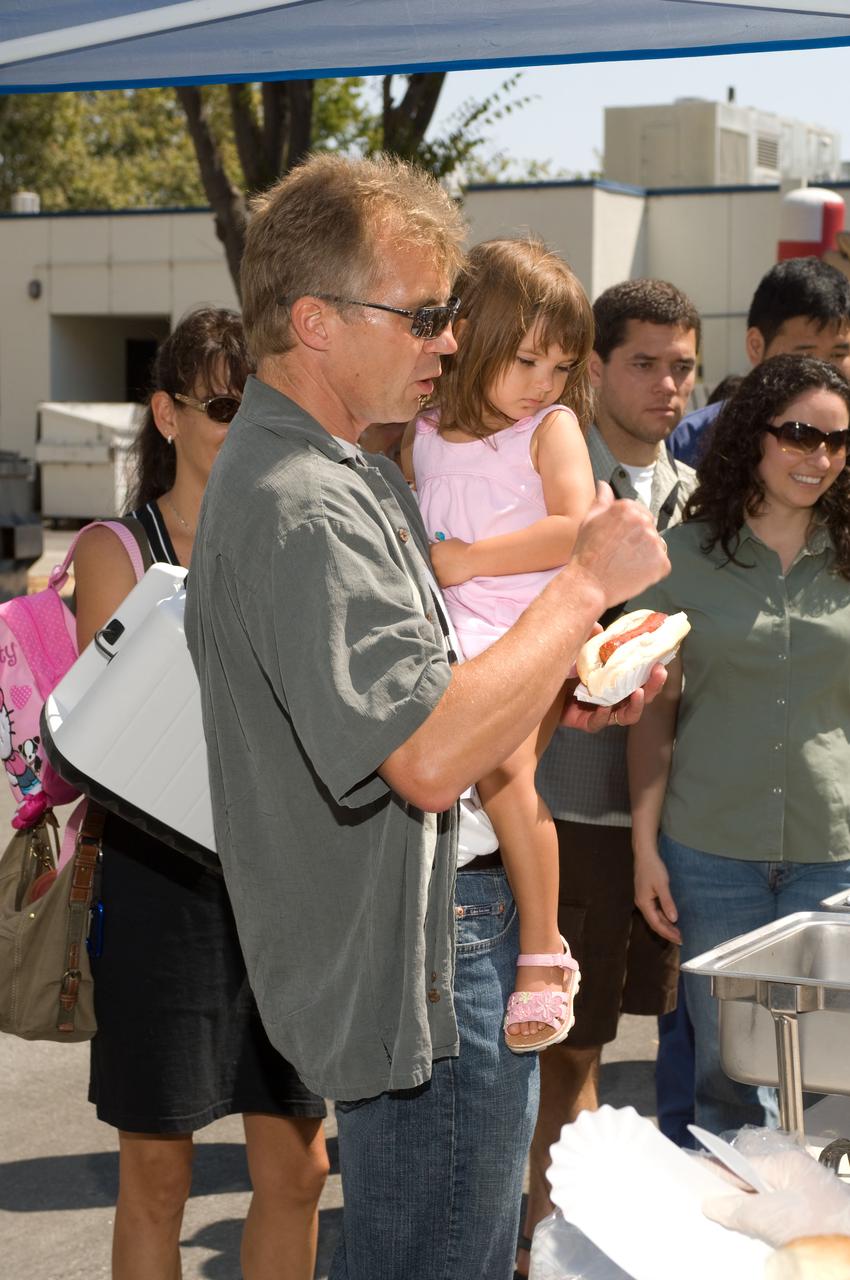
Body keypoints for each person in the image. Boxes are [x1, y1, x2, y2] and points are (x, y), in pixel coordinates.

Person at [184, 152, 671, 1280]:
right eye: (422, 316)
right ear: (315, 321)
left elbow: (428, 696)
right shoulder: (310, 502)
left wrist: (559, 687)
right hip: (433, 937)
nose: (449, 343)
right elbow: (426, 754)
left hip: (431, 925)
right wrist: (583, 585)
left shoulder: (338, 470)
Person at [73, 308, 329, 1280]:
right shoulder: (117, 551)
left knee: (299, 1169)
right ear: (167, 414)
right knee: (157, 1176)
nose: (249, 427)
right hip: (160, 887)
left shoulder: (301, 538)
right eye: (226, 406)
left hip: (285, 888)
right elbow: (126, 737)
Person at [517, 276, 699, 1270]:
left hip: (661, 820)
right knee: (561, 1055)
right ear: (593, 367)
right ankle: (544, 1248)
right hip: (556, 809)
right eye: (644, 363)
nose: (667, 384)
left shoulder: (698, 495)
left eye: (683, 367)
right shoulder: (550, 485)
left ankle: (571, 1241)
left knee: (638, 1051)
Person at [629, 353, 850, 1136]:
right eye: (799, 434)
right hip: (709, 856)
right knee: (726, 1078)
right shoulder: (680, 560)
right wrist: (645, 849)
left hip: (834, 855)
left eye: (837, 442)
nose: (819, 457)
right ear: (753, 434)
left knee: (831, 1083)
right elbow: (653, 714)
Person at [402, 236, 596, 1052]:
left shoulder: (551, 428)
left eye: (561, 366)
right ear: (472, 334)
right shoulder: (422, 428)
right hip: (443, 630)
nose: (543, 383)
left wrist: (471, 559)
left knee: (507, 774)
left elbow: (577, 528)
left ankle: (544, 955)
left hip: (528, 626)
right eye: (526, 360)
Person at [669, 256, 850, 467]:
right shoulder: (688, 443)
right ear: (756, 346)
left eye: (838, 354)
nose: (824, 370)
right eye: (806, 356)